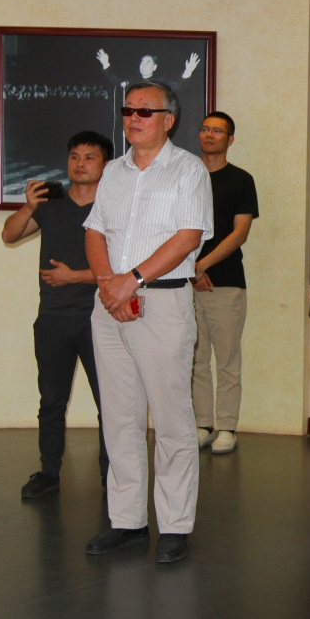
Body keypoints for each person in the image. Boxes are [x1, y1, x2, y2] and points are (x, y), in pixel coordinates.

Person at [83, 81, 213, 564]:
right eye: (128, 110)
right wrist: (109, 284)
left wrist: (132, 280)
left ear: (168, 120)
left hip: (162, 304)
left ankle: (175, 525)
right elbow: (95, 230)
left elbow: (188, 237)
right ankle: (127, 521)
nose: (133, 118)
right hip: (109, 305)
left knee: (172, 420)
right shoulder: (113, 172)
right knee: (119, 418)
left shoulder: (188, 170)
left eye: (144, 111)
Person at [1, 131, 114, 497]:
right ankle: (48, 472)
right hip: (53, 317)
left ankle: (112, 475)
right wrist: (29, 207)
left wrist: (74, 276)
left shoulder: (115, 208)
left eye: (89, 157)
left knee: (110, 403)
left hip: (101, 317)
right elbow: (9, 235)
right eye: (74, 156)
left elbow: (125, 270)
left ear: (106, 164)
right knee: (51, 400)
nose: (80, 163)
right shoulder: (51, 205)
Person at [190, 111, 259, 455]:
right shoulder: (186, 177)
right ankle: (203, 424)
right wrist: (190, 270)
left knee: (227, 359)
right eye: (205, 129)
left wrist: (202, 265)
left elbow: (240, 232)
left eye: (217, 131)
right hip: (185, 282)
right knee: (195, 358)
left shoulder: (241, 180)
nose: (209, 135)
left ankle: (227, 427)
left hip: (226, 282)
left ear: (230, 139)